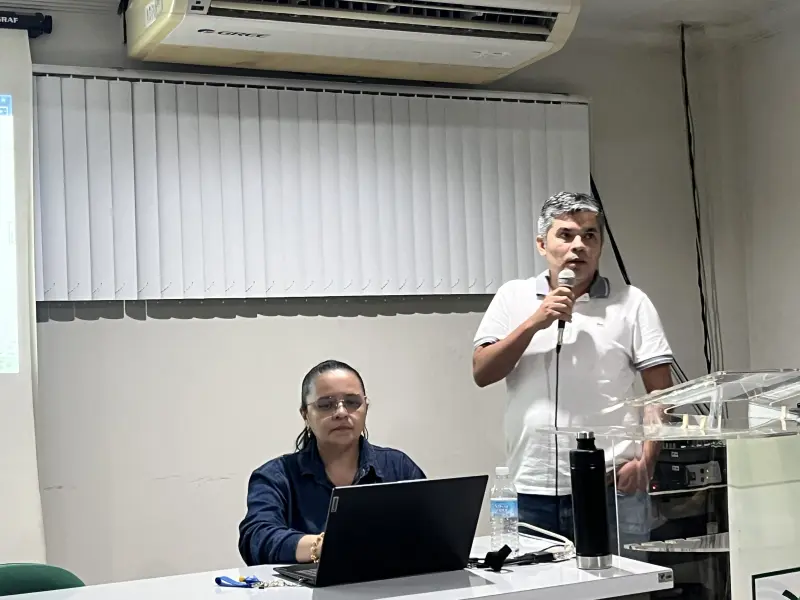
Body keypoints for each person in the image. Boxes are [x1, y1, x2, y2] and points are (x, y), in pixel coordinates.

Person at [472, 191, 673, 548]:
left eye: (589, 235)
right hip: (532, 488)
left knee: (621, 580)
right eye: (565, 235)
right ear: (542, 244)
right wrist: (535, 322)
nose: (579, 245)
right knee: (537, 579)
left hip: (611, 486)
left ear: (599, 246)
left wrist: (646, 461)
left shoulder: (632, 302)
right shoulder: (512, 297)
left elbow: (661, 392)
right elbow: (482, 372)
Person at [238, 359, 425, 565]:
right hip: (309, 584)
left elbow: (432, 529)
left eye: (352, 402)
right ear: (305, 414)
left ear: (365, 407)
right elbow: (256, 538)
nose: (341, 413)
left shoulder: (398, 467)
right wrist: (326, 545)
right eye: (326, 405)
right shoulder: (276, 476)